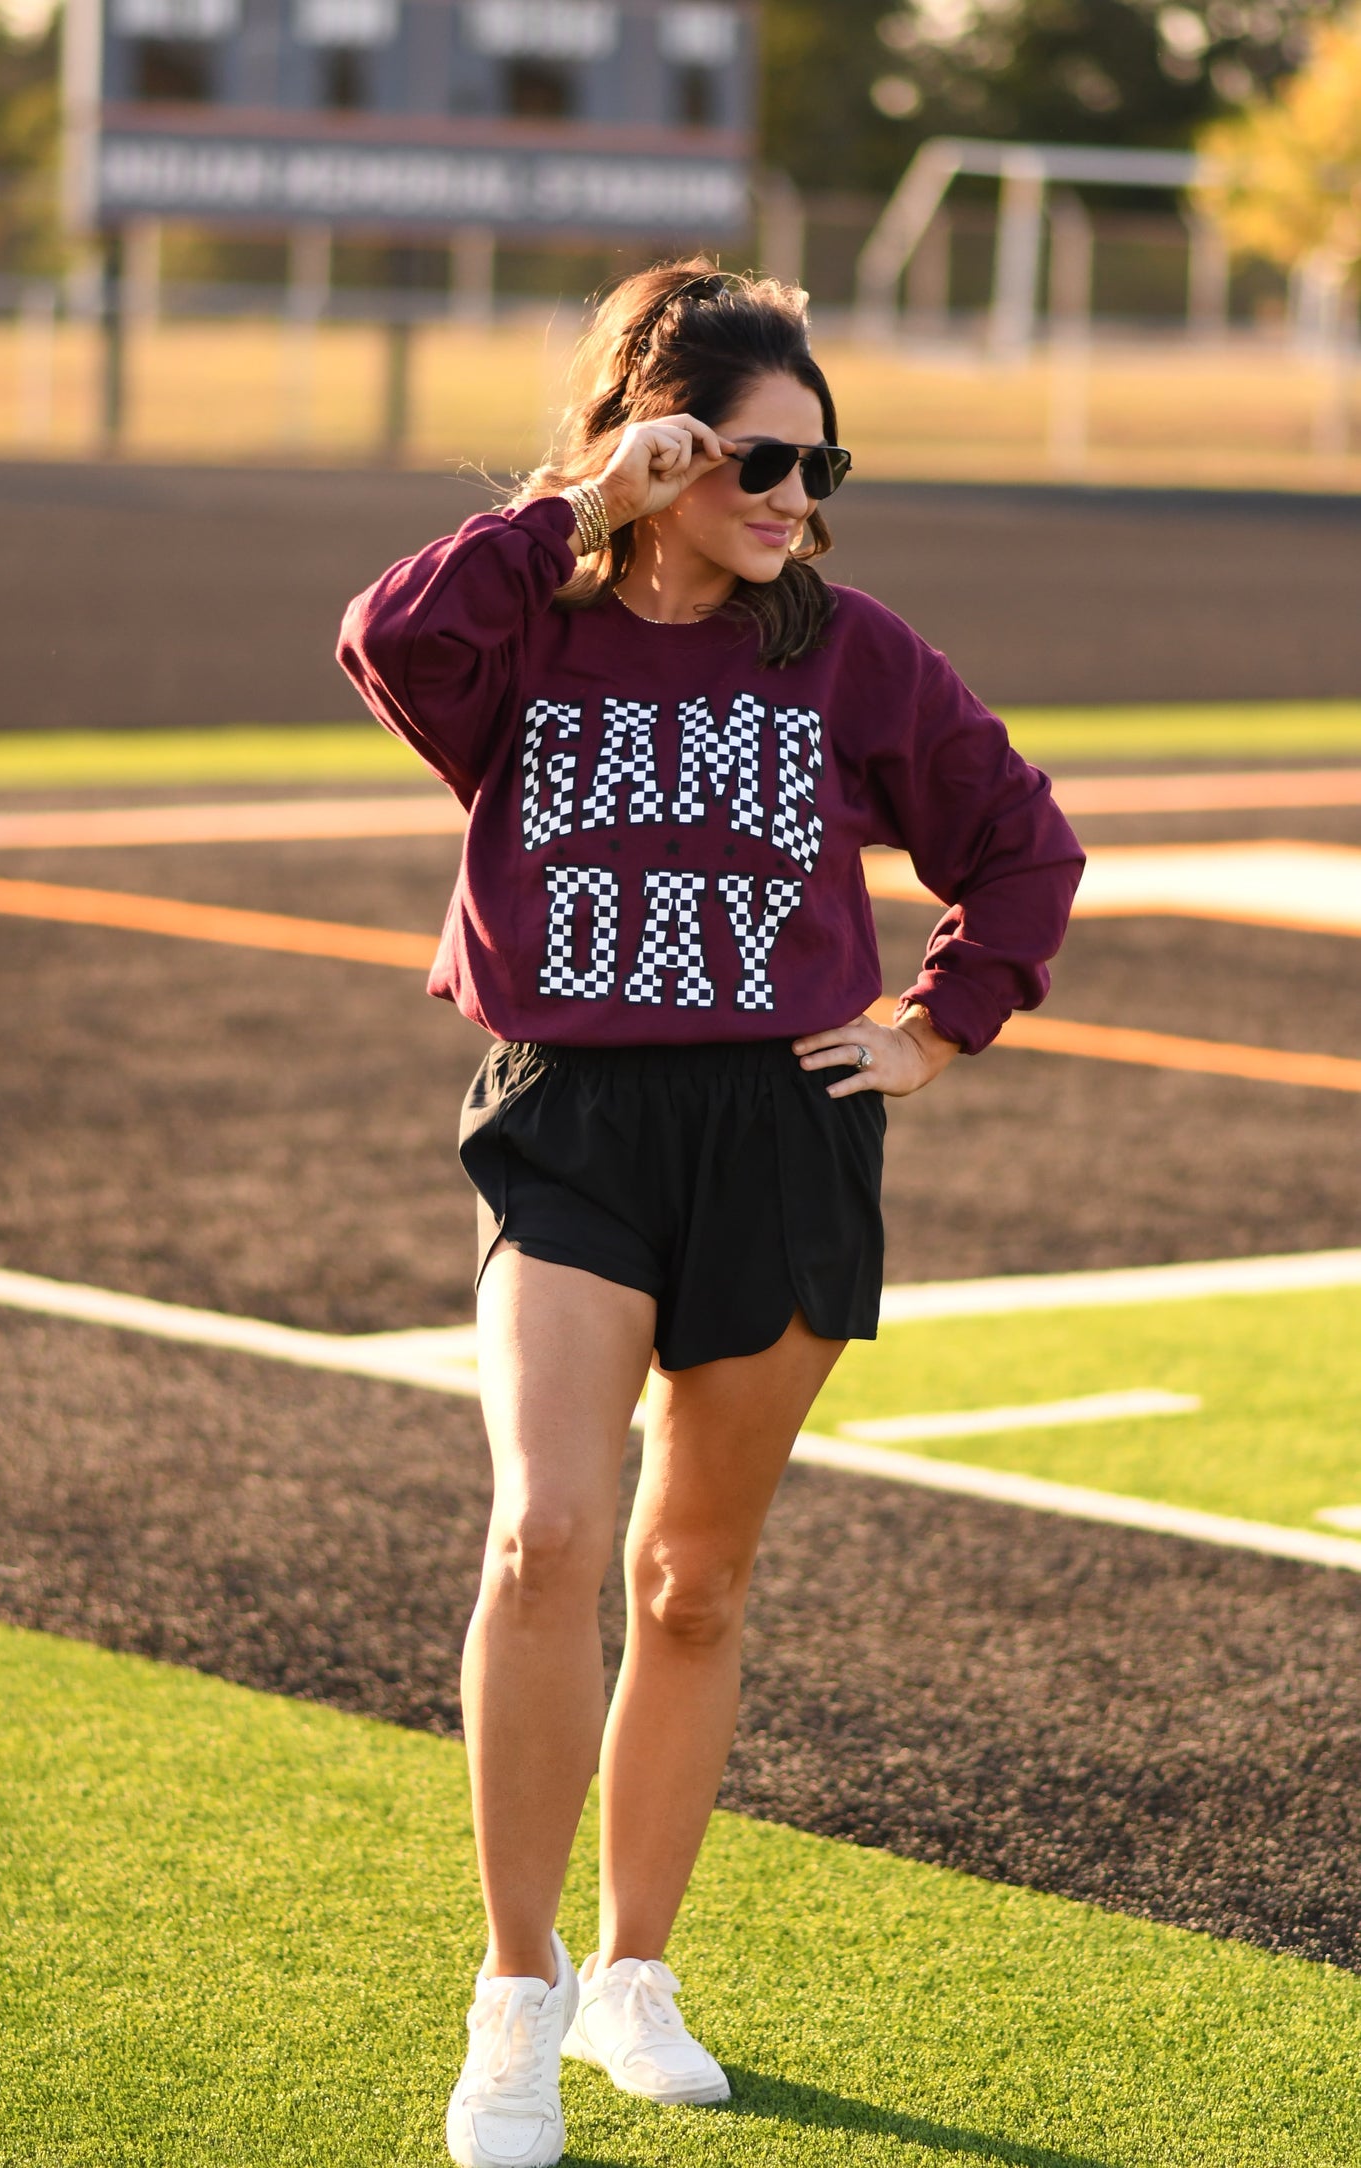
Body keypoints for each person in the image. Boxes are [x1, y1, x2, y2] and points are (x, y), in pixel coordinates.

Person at [339, 259, 1085, 2168]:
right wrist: (572, 505)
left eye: (822, 461)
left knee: (691, 1581)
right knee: (548, 1532)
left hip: (782, 1127)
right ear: (655, 444)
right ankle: (511, 2000)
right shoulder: (522, 630)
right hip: (572, 1113)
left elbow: (1019, 843)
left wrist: (940, 1027)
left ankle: (631, 1975)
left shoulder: (848, 653)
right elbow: (386, 642)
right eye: (756, 456)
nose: (794, 494)